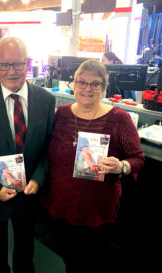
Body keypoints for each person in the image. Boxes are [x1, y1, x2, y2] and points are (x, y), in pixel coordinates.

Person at [41, 59, 144, 273]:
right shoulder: (62, 113)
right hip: (60, 204)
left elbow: (137, 158)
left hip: (96, 208)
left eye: (95, 84)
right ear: (74, 84)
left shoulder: (119, 119)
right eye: (81, 82)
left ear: (105, 87)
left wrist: (121, 166)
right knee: (69, 260)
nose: (87, 88)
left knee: (91, 264)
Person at [0, 36, 55, 273]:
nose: (12, 71)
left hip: (29, 194)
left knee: (26, 251)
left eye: (18, 64)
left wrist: (38, 177)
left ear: (27, 63)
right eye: (5, 65)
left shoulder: (46, 100)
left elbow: (49, 148)